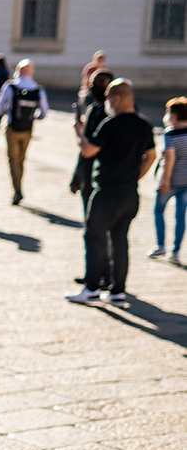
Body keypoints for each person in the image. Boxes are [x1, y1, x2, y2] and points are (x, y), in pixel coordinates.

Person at [68, 79, 156, 304]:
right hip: (130, 193)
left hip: (106, 192)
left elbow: (88, 151)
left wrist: (79, 132)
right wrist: (136, 175)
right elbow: (151, 156)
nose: (107, 102)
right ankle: (117, 291)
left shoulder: (110, 124)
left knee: (93, 236)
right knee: (120, 240)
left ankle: (92, 288)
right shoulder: (144, 124)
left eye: (108, 97)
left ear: (115, 99)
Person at [0, 59, 50, 205]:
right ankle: (19, 185)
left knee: (13, 159)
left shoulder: (11, 86)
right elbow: (44, 112)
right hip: (28, 129)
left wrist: (5, 113)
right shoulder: (38, 89)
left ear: (18, 70)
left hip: (12, 127)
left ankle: (17, 189)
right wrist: (34, 118)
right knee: (21, 159)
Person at [70, 70, 115, 217]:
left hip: (106, 178)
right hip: (89, 176)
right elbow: (85, 149)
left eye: (101, 83)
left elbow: (88, 146)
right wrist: (77, 176)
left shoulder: (115, 114)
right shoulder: (92, 110)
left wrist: (78, 132)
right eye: (93, 83)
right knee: (90, 222)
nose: (96, 87)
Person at [150, 97, 187, 263]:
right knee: (181, 216)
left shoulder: (170, 134)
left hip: (170, 180)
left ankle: (161, 245)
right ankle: (176, 252)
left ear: (174, 115)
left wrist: (165, 182)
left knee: (159, 210)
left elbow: (169, 158)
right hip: (186, 181)